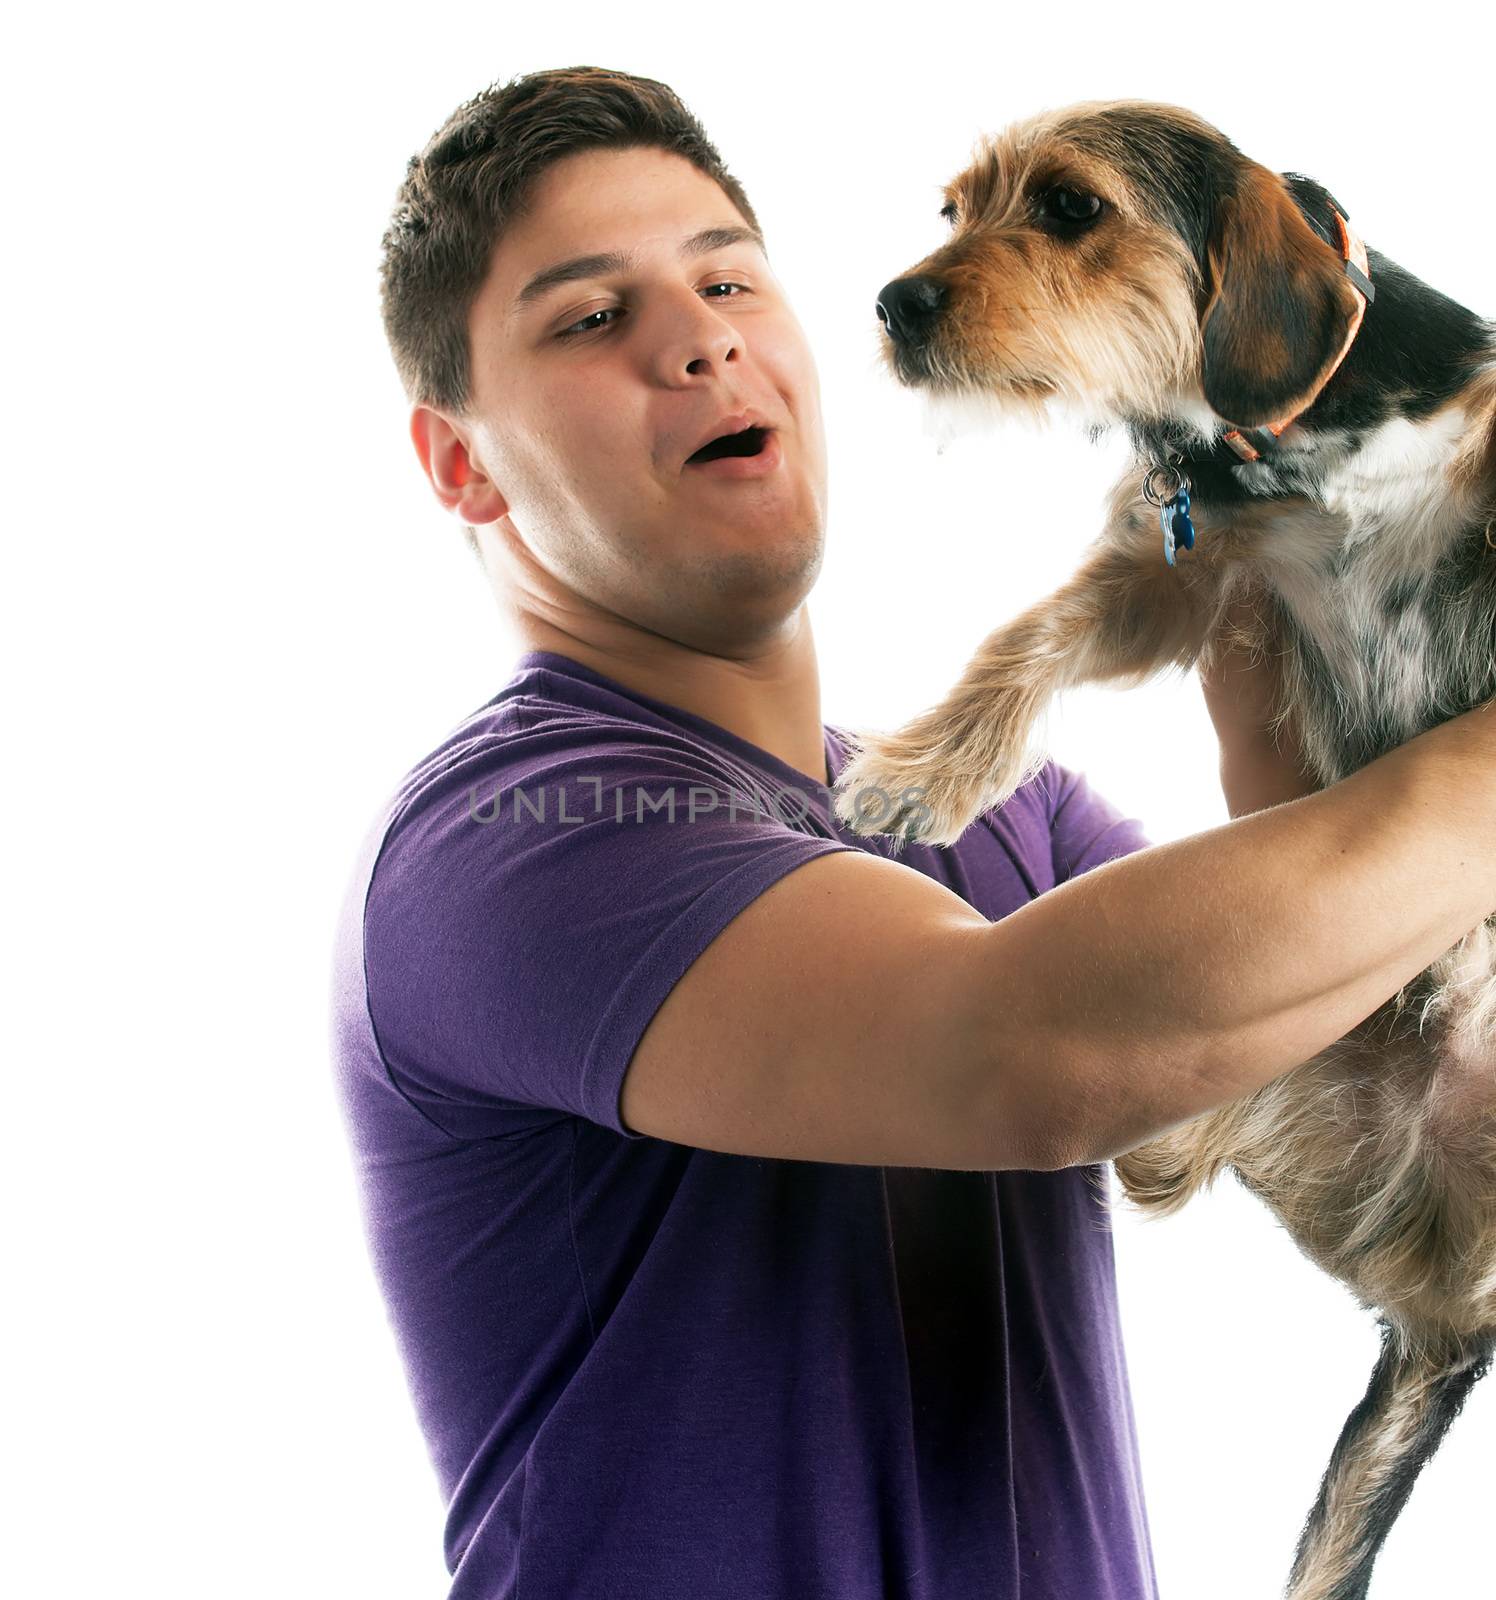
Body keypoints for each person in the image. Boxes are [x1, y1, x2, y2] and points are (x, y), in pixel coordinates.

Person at [329, 66, 1496, 1599]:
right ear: (461, 461)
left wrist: (1290, 553)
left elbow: (1295, 962)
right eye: (593, 319)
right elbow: (1036, 1052)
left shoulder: (999, 827)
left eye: (729, 277)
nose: (702, 337)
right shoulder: (516, 838)